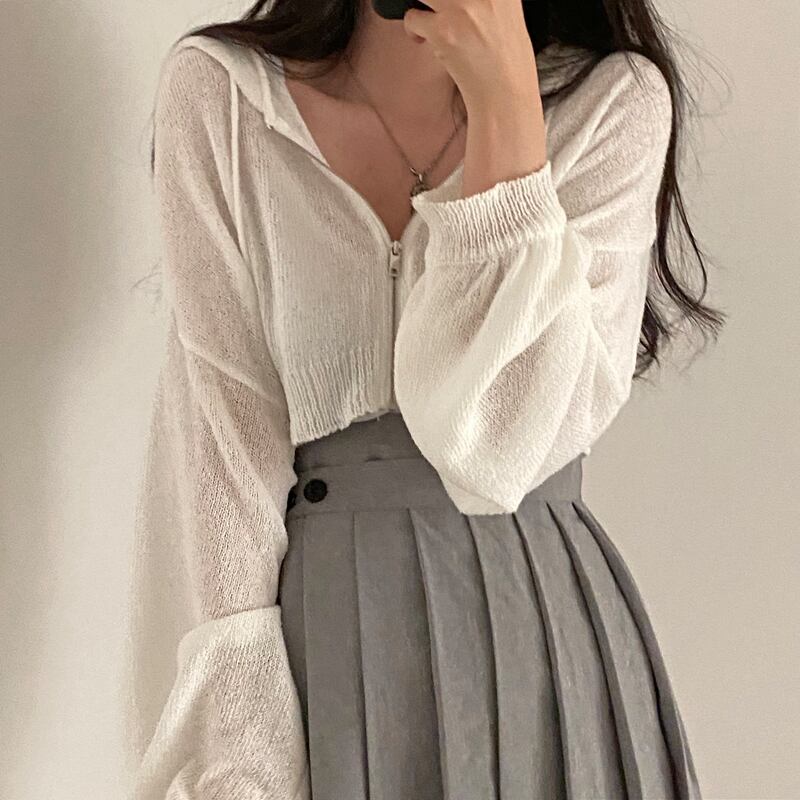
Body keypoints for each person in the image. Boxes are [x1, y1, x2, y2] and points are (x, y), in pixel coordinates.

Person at [123, 0, 723, 797]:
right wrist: (240, 751)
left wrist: (507, 114)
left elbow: (501, 452)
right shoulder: (224, 97)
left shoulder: (614, 105)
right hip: (321, 636)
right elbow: (223, 440)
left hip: (538, 638)